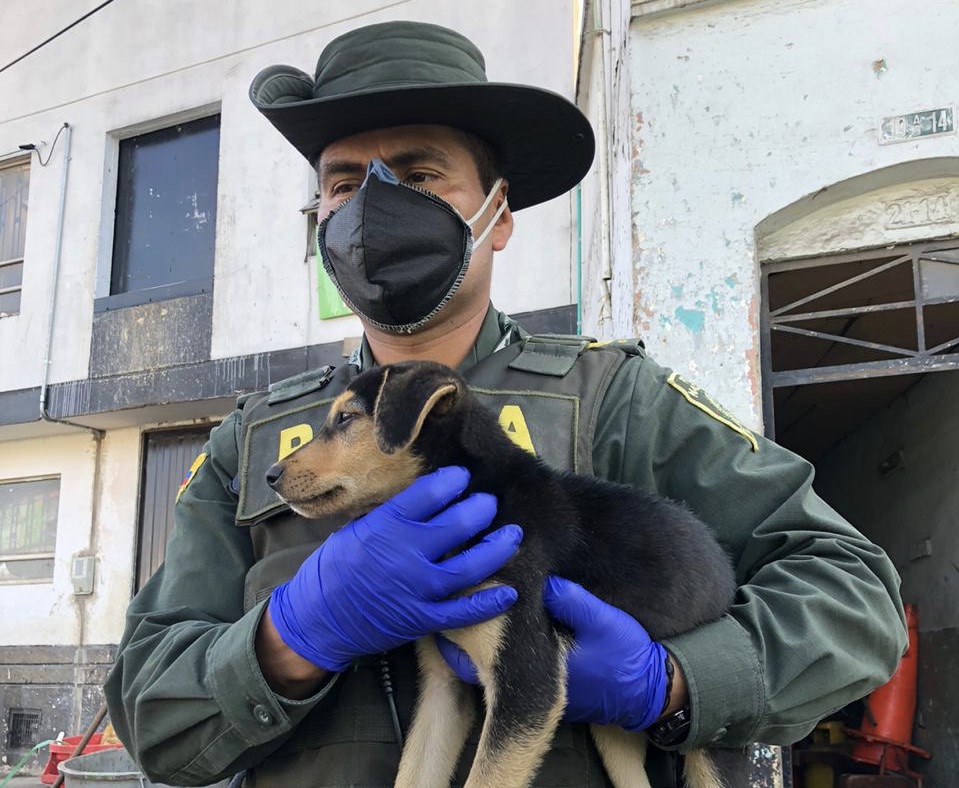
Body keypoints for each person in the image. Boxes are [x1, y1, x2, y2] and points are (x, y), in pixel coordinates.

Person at [104, 20, 907, 788]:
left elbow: (852, 593)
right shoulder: (255, 440)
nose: (375, 208)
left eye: (419, 176)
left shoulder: (619, 399)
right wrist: (287, 640)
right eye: (344, 184)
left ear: (498, 216)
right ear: (319, 225)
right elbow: (152, 715)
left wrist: (673, 682)